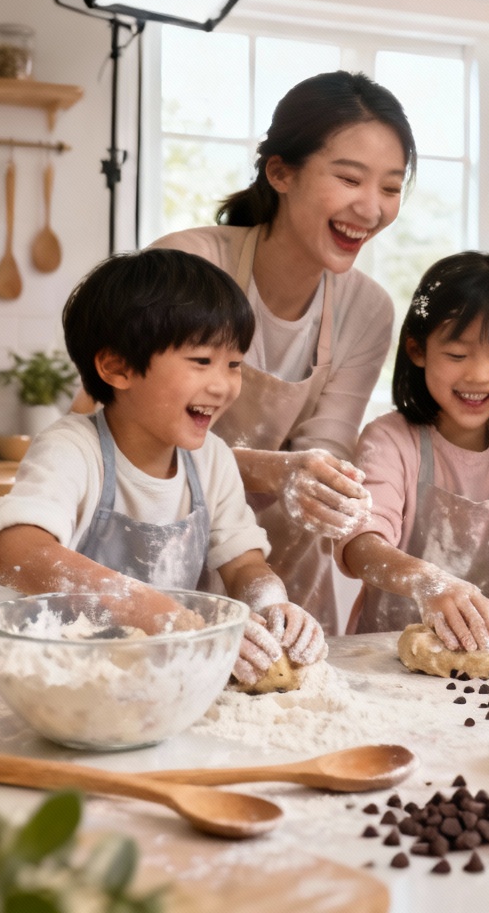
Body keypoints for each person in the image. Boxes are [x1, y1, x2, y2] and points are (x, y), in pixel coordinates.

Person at [0, 249, 326, 685]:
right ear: (117, 367)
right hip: (70, 685)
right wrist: (160, 614)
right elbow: (11, 554)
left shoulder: (211, 459)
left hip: (171, 684)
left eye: (234, 364)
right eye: (202, 361)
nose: (223, 386)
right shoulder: (72, 449)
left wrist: (272, 608)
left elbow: (244, 566)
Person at [152, 71, 417, 635]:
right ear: (280, 172)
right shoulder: (190, 266)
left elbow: (324, 448)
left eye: (391, 188)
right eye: (349, 178)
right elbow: (132, 433)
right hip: (161, 572)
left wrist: (325, 484)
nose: (371, 208)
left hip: (284, 583)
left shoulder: (366, 308)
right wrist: (280, 469)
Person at [337, 251, 489, 651]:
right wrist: (428, 583)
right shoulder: (390, 439)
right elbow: (362, 543)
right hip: (384, 651)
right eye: (457, 355)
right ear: (417, 350)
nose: (478, 375)